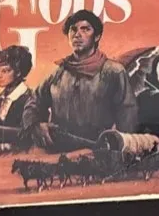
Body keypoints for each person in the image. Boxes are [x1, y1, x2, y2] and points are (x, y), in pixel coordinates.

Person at [23, 10, 138, 152]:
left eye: (85, 29)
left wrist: (120, 150)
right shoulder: (58, 72)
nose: (77, 34)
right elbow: (34, 102)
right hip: (58, 151)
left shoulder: (113, 71)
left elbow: (128, 113)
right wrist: (35, 125)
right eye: (73, 29)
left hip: (97, 152)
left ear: (97, 36)